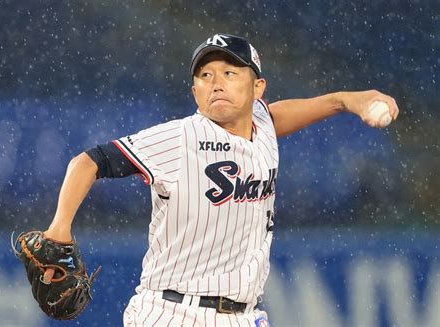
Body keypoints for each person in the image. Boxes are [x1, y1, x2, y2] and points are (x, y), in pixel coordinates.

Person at [42, 33, 399, 325]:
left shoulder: (261, 125)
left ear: (257, 88)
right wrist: (60, 228)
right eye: (206, 75)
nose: (216, 83)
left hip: (246, 316)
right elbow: (89, 161)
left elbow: (277, 117)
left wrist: (344, 100)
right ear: (195, 90)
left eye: (230, 73)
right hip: (174, 312)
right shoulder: (180, 138)